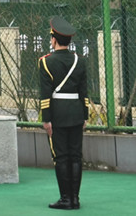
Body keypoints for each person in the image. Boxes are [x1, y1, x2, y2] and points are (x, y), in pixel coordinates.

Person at [38, 16, 89, 210]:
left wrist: (46, 118)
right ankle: (75, 199)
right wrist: (85, 115)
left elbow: (45, 94)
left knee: (61, 157)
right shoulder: (80, 62)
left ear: (54, 39)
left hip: (57, 114)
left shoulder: (45, 62)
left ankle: (65, 198)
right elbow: (84, 92)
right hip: (76, 112)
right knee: (75, 156)